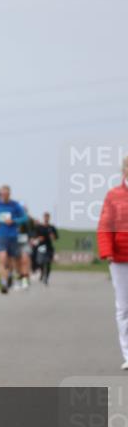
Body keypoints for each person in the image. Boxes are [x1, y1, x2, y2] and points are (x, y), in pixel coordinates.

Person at [98, 155, 128, 371]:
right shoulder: (113, 195)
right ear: (124, 171)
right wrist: (107, 251)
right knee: (124, 308)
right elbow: (105, 225)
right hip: (120, 259)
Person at [0, 185, 27, 293]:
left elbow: (24, 218)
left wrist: (14, 221)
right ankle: (3, 283)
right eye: (2, 194)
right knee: (2, 258)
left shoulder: (15, 205)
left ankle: (10, 275)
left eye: (6, 194)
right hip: (0, 235)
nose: (4, 196)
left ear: (9, 194)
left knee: (11, 261)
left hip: (12, 235)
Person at [32, 212, 59, 285]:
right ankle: (41, 272)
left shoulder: (51, 228)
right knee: (40, 261)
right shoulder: (39, 227)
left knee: (48, 262)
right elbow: (34, 235)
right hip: (41, 246)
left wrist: (53, 236)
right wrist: (38, 238)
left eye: (47, 217)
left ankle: (46, 278)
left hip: (49, 247)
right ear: (43, 218)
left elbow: (56, 238)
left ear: (49, 218)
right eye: (45, 217)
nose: (46, 218)